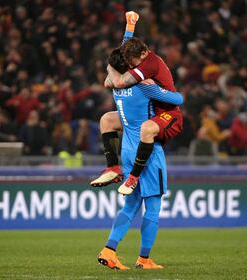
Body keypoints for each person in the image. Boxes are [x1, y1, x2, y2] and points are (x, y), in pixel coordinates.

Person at [97, 48, 184, 270]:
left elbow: (117, 63)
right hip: (147, 152)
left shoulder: (116, 87)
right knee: (153, 206)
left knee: (130, 205)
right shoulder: (143, 89)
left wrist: (128, 29)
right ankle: (144, 259)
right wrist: (154, 87)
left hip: (126, 149)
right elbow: (177, 99)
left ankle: (109, 250)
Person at [91, 11, 183, 195]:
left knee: (147, 129)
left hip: (166, 112)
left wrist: (110, 67)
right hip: (150, 109)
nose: (132, 67)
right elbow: (124, 52)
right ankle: (113, 168)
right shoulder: (137, 58)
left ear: (143, 53)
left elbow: (116, 82)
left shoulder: (149, 64)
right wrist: (130, 26)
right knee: (107, 120)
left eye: (133, 63)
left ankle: (133, 176)